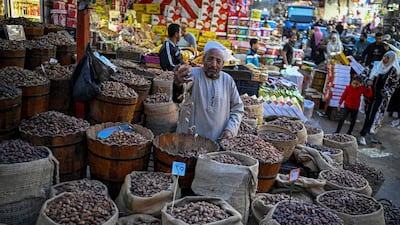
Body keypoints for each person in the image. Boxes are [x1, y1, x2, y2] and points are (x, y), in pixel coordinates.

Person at [172, 41, 244, 141]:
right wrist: (178, 85)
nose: (214, 64)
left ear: (223, 64)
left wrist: (230, 129)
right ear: (203, 60)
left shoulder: (228, 80)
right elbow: (179, 97)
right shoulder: (192, 74)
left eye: (218, 61)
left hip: (217, 140)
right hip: (189, 139)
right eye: (210, 59)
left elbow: (238, 109)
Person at [359, 51, 400, 145]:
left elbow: (393, 86)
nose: (384, 59)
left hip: (380, 97)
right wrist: (367, 80)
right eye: (384, 56)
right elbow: (363, 74)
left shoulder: (393, 71)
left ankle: (364, 134)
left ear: (392, 60)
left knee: (373, 115)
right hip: (369, 94)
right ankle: (366, 132)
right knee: (368, 113)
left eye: (387, 58)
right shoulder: (375, 65)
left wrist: (385, 92)